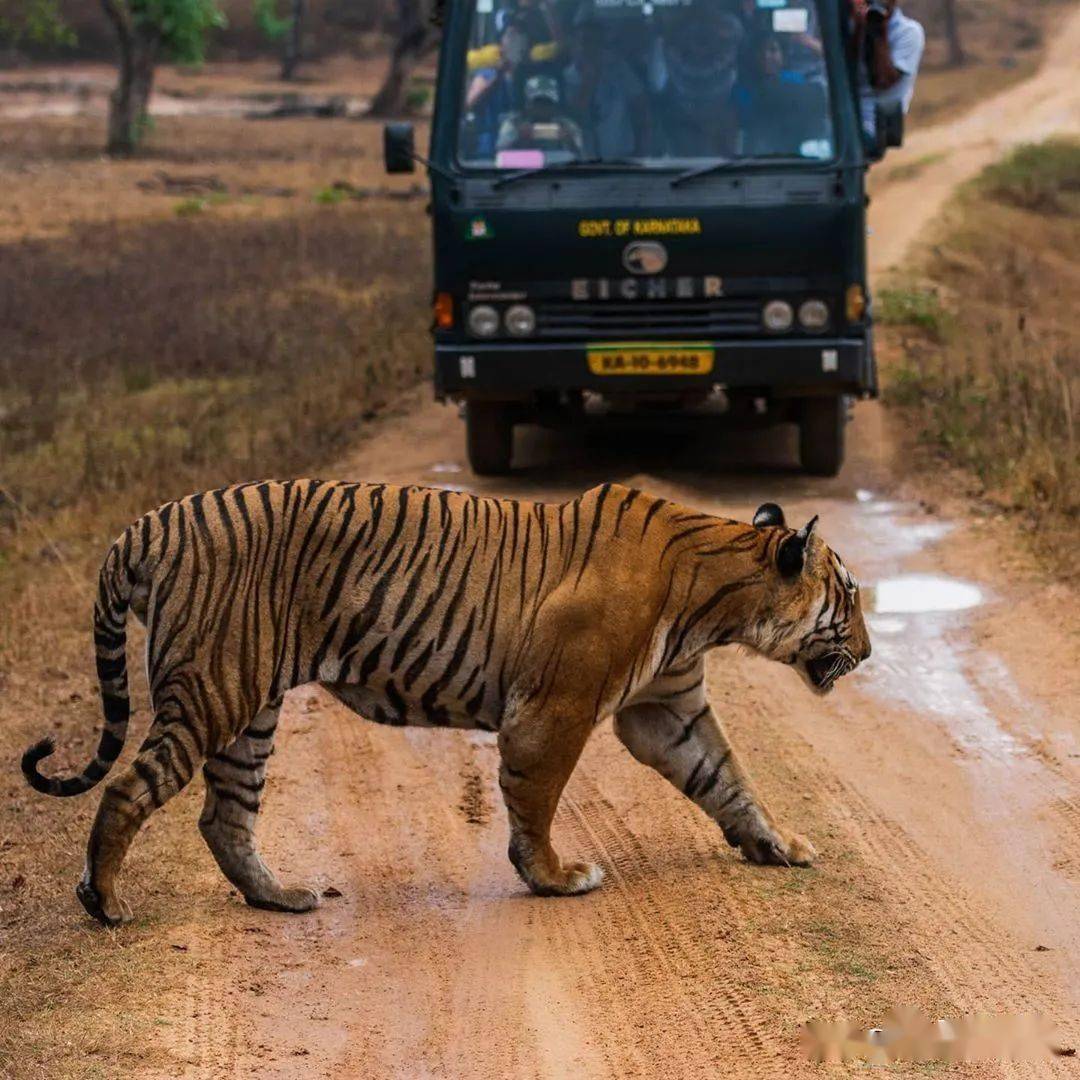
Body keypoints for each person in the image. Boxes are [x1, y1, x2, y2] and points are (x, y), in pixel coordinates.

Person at [649, 3, 744, 157]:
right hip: (680, 117)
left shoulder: (729, 24)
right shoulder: (671, 25)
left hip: (721, 112)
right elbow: (656, 82)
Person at [561, 11, 649, 159]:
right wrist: (588, 82)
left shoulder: (619, 70)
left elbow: (641, 108)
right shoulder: (566, 78)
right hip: (581, 165)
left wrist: (641, 151)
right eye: (584, 41)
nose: (588, 48)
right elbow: (571, 121)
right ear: (574, 44)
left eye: (594, 42)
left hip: (623, 160)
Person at [733, 33, 828, 156]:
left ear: (783, 55)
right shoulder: (742, 88)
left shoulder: (796, 80)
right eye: (760, 51)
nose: (766, 56)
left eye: (773, 50)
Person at [851, 0, 924, 137]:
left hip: (871, 125)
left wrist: (877, 33)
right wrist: (857, 28)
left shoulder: (908, 32)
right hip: (840, 118)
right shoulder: (856, 25)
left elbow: (883, 81)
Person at [496, 74, 585, 158]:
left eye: (547, 103)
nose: (542, 108)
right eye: (538, 102)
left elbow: (581, 158)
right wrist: (519, 140)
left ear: (555, 105)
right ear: (528, 104)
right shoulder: (513, 124)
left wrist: (569, 141)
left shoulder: (567, 126)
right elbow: (501, 156)